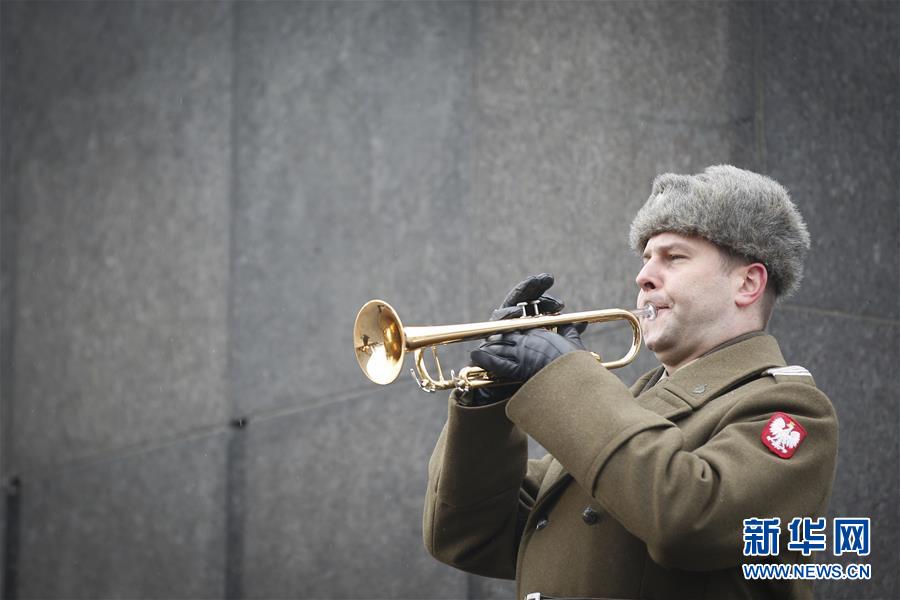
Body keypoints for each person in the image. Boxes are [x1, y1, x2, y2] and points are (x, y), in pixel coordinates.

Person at [422, 165, 838, 600]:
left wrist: (565, 377)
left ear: (748, 282)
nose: (643, 276)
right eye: (645, 258)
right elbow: (469, 536)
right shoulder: (628, 407)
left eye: (674, 257)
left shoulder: (791, 409)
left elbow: (688, 520)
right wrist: (488, 404)